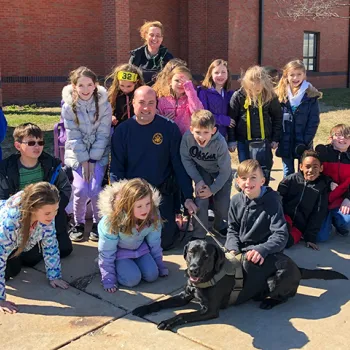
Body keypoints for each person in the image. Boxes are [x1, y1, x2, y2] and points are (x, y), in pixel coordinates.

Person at [110, 86, 197, 250]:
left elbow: (179, 166)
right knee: (130, 240)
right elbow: (116, 168)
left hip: (161, 193)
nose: (146, 108)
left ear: (156, 104)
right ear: (133, 104)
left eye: (151, 103)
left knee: (165, 242)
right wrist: (119, 198)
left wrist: (187, 196)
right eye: (141, 102)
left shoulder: (169, 128)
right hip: (133, 196)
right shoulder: (122, 131)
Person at [0, 123, 72, 259]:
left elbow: (65, 188)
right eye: (31, 142)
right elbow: (2, 199)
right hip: (20, 217)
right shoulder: (6, 169)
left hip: (48, 213)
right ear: (17, 146)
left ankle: (40, 243)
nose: (37, 146)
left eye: (40, 142)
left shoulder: (51, 164)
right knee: (28, 259)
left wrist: (53, 209)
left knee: (65, 250)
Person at [0, 182, 69, 314]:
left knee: (29, 260)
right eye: (48, 213)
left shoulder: (48, 213)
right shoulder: (10, 223)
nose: (53, 216)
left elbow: (51, 244)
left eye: (56, 210)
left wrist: (54, 276)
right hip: (5, 238)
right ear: (32, 209)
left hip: (21, 241)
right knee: (10, 272)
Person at [62, 66, 112, 242]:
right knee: (81, 189)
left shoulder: (104, 105)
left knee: (95, 190)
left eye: (89, 85)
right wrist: (84, 160)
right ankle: (79, 223)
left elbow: (104, 133)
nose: (85, 90)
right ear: (74, 86)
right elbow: (73, 135)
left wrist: (92, 159)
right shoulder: (69, 107)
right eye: (80, 85)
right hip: (77, 155)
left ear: (95, 85)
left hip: (98, 155)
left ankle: (99, 224)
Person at [98, 178, 168, 291]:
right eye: (139, 206)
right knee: (132, 280)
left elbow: (155, 242)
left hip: (140, 250)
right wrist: (108, 278)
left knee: (152, 276)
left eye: (148, 204)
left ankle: (136, 265)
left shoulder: (153, 215)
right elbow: (106, 251)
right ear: (127, 205)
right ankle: (114, 268)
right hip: (119, 253)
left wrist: (160, 265)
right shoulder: (111, 221)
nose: (145, 209)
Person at [180, 110, 232, 239]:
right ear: (191, 129)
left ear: (213, 131)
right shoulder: (187, 138)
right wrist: (198, 180)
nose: (201, 137)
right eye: (198, 132)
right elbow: (186, 159)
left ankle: (218, 225)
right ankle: (199, 234)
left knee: (222, 204)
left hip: (221, 173)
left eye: (206, 132)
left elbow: (225, 170)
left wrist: (213, 189)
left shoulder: (220, 142)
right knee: (201, 199)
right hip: (202, 171)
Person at [225, 159, 288, 263]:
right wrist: (233, 248)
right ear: (238, 181)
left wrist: (263, 249)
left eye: (253, 178)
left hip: (265, 250)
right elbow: (232, 229)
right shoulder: (235, 200)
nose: (248, 182)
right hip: (242, 250)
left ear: (262, 181)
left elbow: (281, 234)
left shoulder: (273, 201)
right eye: (244, 178)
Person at [229, 65, 282, 184]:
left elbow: (277, 118)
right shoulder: (238, 97)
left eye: (258, 90)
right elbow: (232, 120)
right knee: (246, 171)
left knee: (263, 171)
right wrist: (232, 140)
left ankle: (264, 195)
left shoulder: (270, 97)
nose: (254, 92)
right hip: (243, 141)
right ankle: (246, 196)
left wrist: (275, 138)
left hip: (264, 141)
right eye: (251, 89)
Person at [278, 150, 332, 250]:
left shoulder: (322, 187)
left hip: (300, 227)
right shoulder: (289, 180)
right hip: (285, 218)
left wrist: (310, 237)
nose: (311, 170)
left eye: (315, 167)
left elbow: (319, 213)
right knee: (277, 235)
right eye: (307, 166)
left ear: (321, 168)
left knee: (287, 242)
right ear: (301, 167)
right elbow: (277, 203)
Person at [275, 60, 322, 177]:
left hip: (303, 142)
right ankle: (288, 194)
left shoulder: (311, 96)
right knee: (288, 172)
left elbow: (313, 121)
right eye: (292, 75)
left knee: (303, 172)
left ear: (304, 75)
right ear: (286, 76)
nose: (295, 78)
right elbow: (276, 118)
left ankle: (301, 194)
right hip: (285, 140)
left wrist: (306, 140)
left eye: (299, 74)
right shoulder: (280, 95)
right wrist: (277, 137)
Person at [315, 124, 350, 241]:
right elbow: (314, 174)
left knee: (346, 220)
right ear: (331, 138)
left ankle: (339, 223)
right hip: (324, 198)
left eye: (347, 136)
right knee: (321, 237)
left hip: (343, 197)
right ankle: (327, 219)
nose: (343, 139)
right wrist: (328, 182)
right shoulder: (324, 153)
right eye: (338, 135)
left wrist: (348, 198)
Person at [197, 59, 235, 150]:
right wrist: (224, 120)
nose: (220, 75)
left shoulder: (229, 94)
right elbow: (203, 115)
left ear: (228, 74)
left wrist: (232, 139)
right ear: (210, 74)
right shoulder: (203, 92)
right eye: (216, 72)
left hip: (223, 138)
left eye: (223, 72)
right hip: (207, 137)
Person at [156, 65, 203, 135]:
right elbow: (156, 119)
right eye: (177, 80)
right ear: (170, 82)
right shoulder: (163, 100)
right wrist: (163, 120)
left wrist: (189, 89)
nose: (180, 84)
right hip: (168, 136)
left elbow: (197, 112)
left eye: (184, 82)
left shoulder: (191, 99)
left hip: (186, 137)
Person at [129, 21, 173, 86]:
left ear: (161, 38)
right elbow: (129, 80)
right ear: (145, 36)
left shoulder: (169, 58)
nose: (154, 38)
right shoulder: (136, 56)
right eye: (151, 35)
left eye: (158, 36)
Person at [106, 63, 144, 130]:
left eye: (129, 86)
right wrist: (111, 117)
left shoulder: (142, 95)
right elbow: (107, 111)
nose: (125, 89)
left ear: (136, 82)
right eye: (122, 86)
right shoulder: (113, 95)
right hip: (120, 130)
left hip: (138, 129)